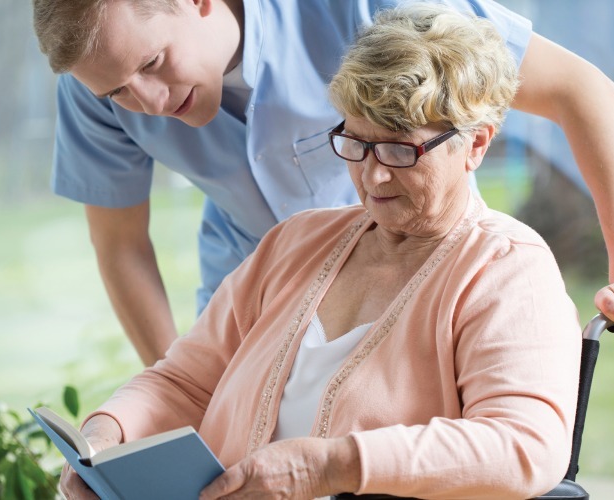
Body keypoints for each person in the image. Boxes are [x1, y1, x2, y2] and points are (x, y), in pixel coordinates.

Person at [60, 5, 581, 499]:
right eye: (355, 143)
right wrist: (108, 435)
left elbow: (524, 445)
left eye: (400, 150)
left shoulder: (508, 271)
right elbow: (184, 382)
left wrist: (332, 466)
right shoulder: (295, 243)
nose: (373, 175)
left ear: (476, 144)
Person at [31, 0, 614, 367]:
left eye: (153, 64)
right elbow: (120, 244)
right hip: (253, 305)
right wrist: (176, 382)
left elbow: (585, 94)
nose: (143, 99)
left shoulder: (369, 5)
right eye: (117, 90)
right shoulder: (98, 92)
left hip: (432, 287)